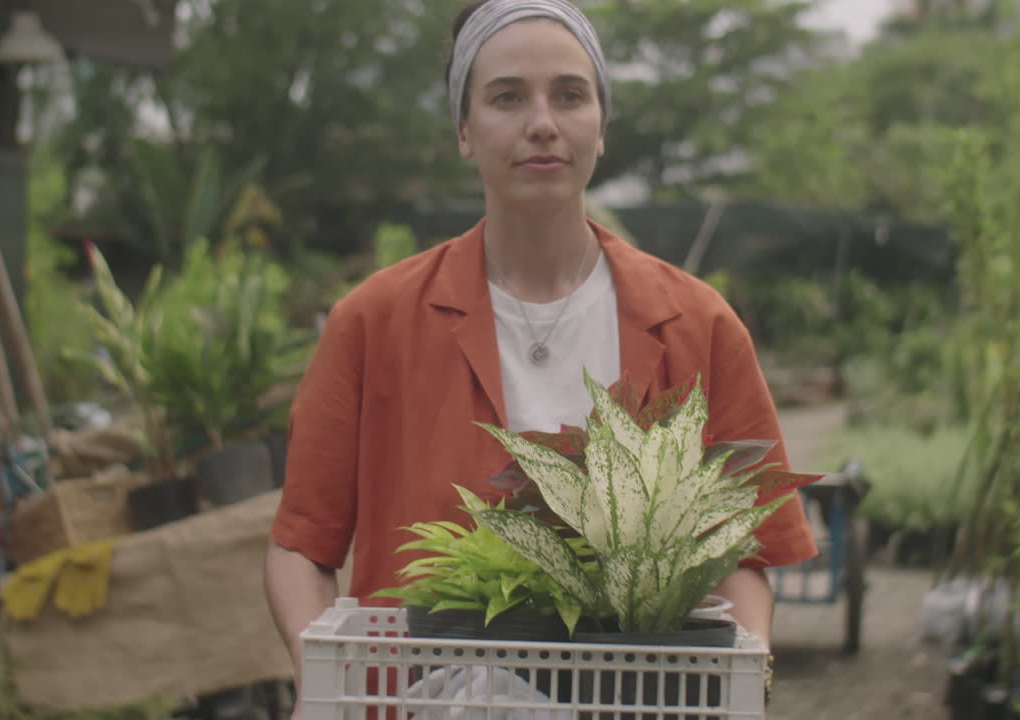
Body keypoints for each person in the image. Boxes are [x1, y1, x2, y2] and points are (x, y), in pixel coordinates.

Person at [265, 0, 817, 714]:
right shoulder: (373, 323)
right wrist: (333, 687)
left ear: (601, 125)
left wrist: (741, 685)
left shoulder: (696, 324)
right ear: (465, 131)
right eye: (506, 97)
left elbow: (745, 557)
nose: (542, 123)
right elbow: (301, 547)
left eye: (569, 94)